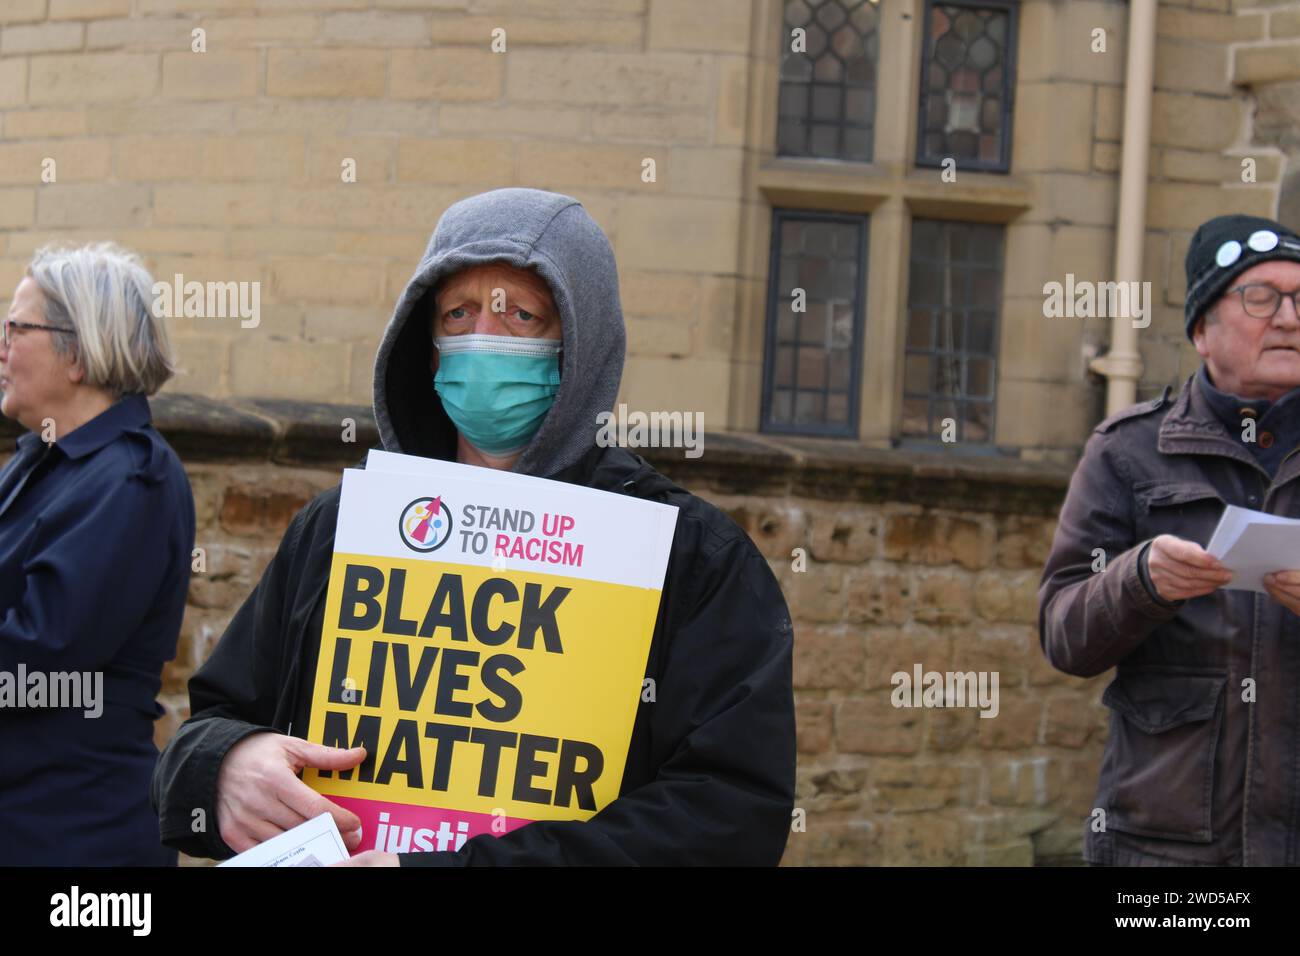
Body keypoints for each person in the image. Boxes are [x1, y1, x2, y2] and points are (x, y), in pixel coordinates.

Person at [152, 187, 797, 866]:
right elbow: (210, 725)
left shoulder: (687, 558)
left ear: (579, 346)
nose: (484, 342)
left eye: (522, 315)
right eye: (459, 313)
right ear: (426, 347)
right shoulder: (342, 527)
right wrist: (226, 765)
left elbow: (726, 820)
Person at [1039, 213, 1300, 866]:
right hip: (1167, 851)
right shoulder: (1128, 451)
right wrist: (1139, 582)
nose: (1290, 318)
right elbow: (1063, 635)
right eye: (1261, 297)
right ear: (1202, 329)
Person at [0, 242, 195, 865]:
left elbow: (38, 657)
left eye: (17, 327)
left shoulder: (131, 480)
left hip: (73, 838)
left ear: (79, 352)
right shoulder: (40, 459)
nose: (2, 345)